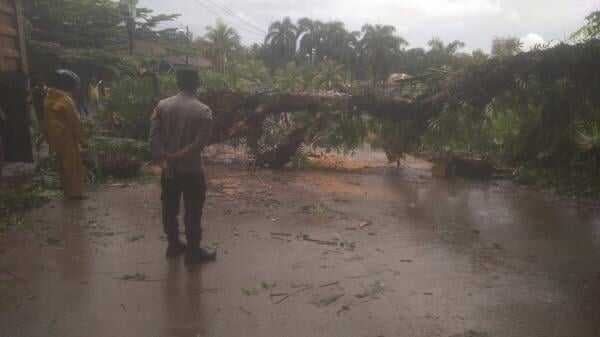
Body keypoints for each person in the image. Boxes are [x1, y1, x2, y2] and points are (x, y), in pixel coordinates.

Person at [150, 68, 215, 265]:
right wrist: (178, 156)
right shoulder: (203, 111)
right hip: (192, 171)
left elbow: (153, 137)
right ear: (197, 83)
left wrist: (164, 157)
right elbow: (198, 145)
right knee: (193, 210)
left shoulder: (161, 106)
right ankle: (193, 252)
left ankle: (173, 245)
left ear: (178, 83)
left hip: (169, 171)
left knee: (169, 208)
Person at [43, 69, 86, 200]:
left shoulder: (48, 98)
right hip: (67, 138)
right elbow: (75, 122)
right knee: (73, 165)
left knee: (62, 165)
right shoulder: (66, 100)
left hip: (55, 138)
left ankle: (67, 192)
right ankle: (75, 193)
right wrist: (83, 140)